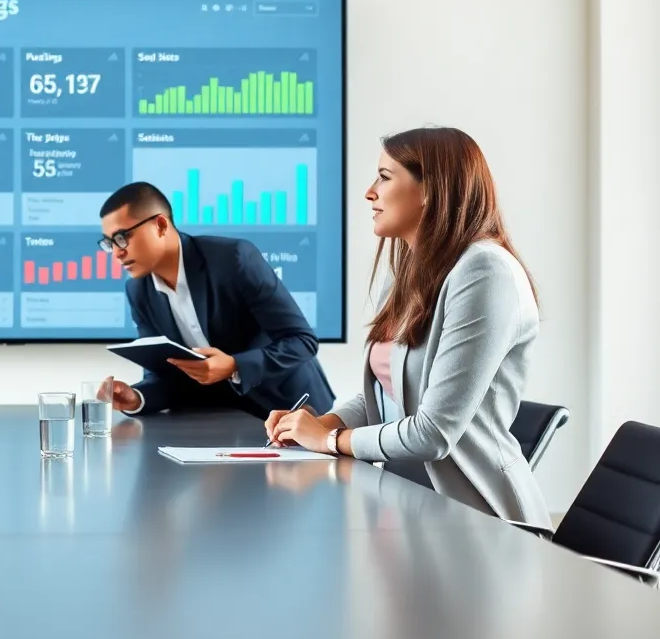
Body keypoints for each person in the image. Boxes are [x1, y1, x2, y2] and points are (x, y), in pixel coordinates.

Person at [267, 126, 551, 526]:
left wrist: (330, 441)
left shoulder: (485, 271)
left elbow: (432, 432)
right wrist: (322, 423)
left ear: (430, 189)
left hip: (477, 521)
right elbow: (386, 399)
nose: (369, 192)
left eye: (384, 177)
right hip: (406, 507)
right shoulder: (407, 271)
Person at [95, 182, 334, 419]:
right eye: (109, 243)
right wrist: (137, 397)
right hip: (218, 420)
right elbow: (163, 376)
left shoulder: (234, 259)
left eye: (122, 237)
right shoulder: (138, 290)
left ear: (160, 225)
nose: (116, 252)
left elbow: (302, 341)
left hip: (289, 410)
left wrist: (234, 366)